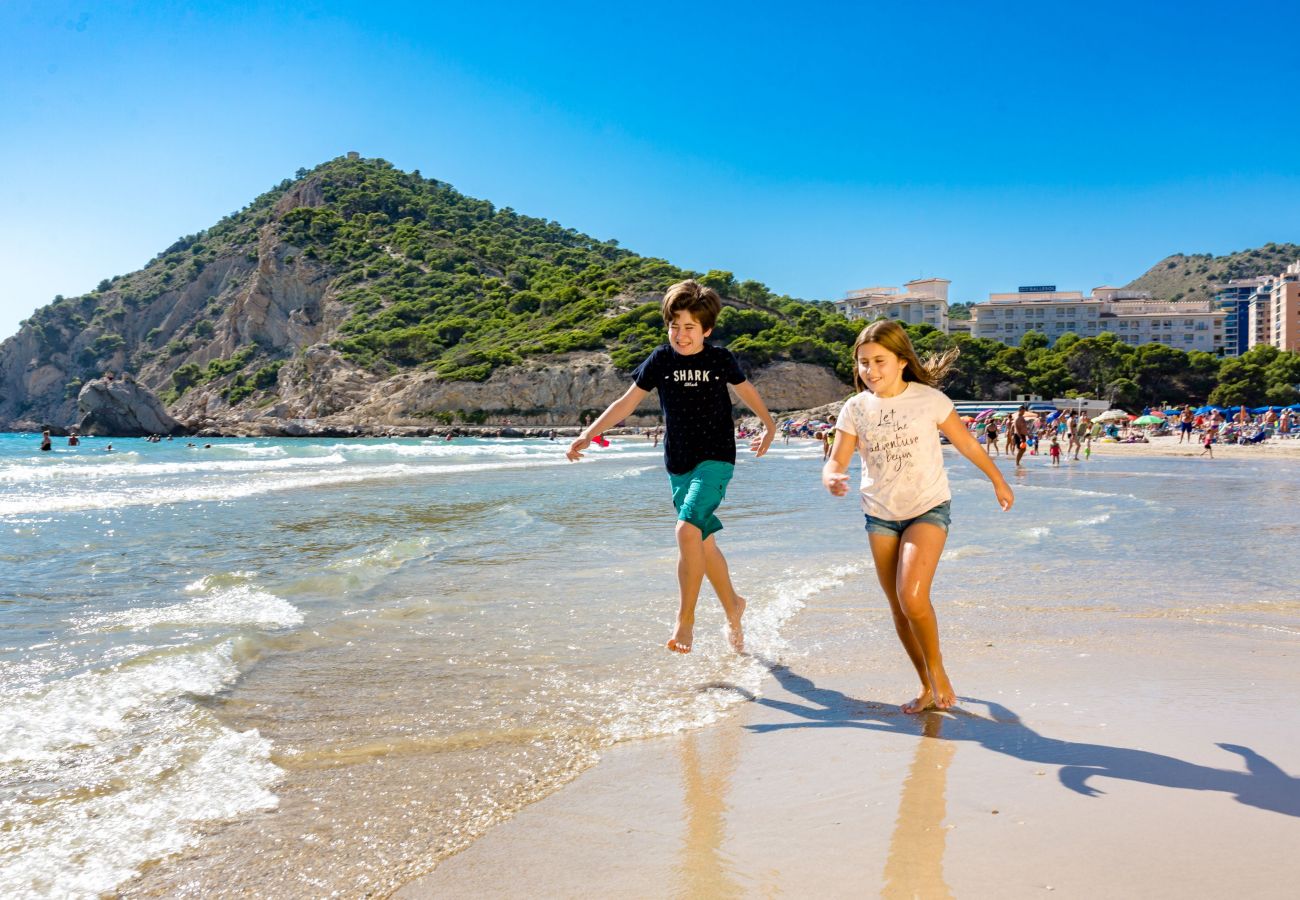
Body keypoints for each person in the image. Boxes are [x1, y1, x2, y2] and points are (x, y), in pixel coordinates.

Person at [567, 279, 776, 655]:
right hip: (678, 463)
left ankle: (686, 619)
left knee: (685, 530)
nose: (681, 335)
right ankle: (734, 605)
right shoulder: (661, 359)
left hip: (716, 458)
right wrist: (589, 433)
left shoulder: (719, 359)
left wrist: (769, 424)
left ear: (706, 330)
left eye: (690, 328)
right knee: (702, 541)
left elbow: (746, 391)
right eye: (674, 326)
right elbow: (626, 402)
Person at [822, 320, 1014, 713]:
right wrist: (832, 476)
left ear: (902, 361)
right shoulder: (855, 408)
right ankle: (925, 683)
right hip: (879, 515)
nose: (871, 371)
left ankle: (938, 671)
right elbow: (836, 460)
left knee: (912, 596)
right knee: (897, 605)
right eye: (863, 363)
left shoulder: (929, 400)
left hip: (927, 508)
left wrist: (998, 479)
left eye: (879, 361)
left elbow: (966, 443)